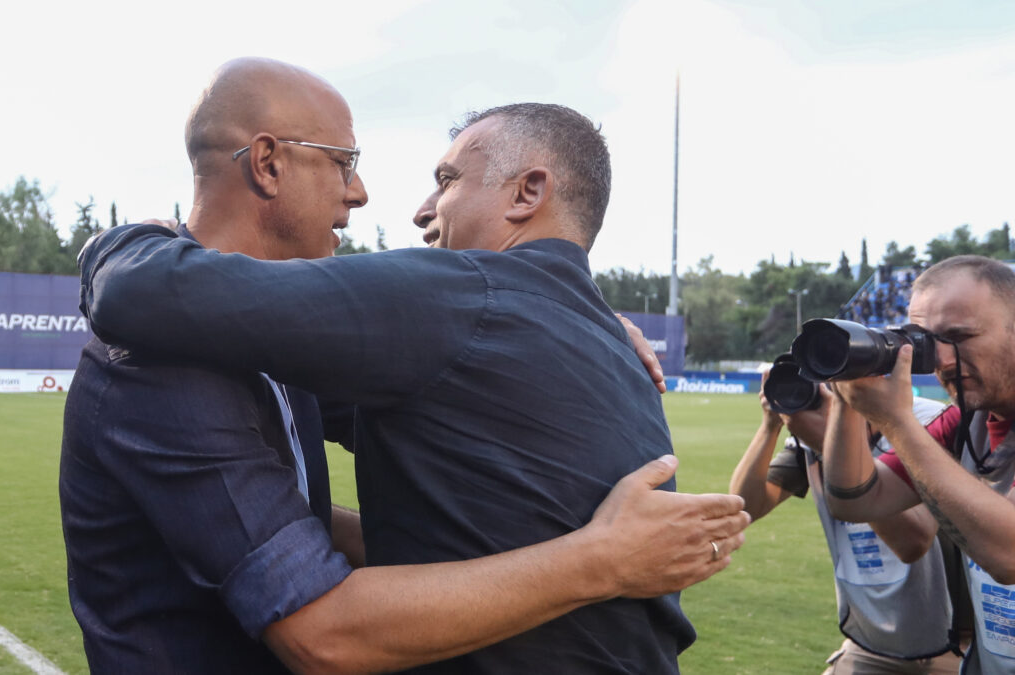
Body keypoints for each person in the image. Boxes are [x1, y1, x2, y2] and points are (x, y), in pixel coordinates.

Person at [61, 58, 749, 675]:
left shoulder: (465, 302)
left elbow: (140, 293)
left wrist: (114, 249)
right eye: (343, 162)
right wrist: (600, 557)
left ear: (526, 194)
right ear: (267, 163)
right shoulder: (167, 355)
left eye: (445, 181)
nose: (371, 196)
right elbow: (323, 623)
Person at [822, 254, 1015, 674]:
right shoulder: (967, 424)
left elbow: (1008, 555)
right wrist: (848, 396)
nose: (942, 360)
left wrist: (897, 422)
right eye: (927, 340)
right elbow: (855, 500)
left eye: (960, 336)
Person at [730, 372, 958, 674]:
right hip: (869, 643)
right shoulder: (811, 435)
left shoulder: (930, 422)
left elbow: (912, 541)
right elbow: (744, 507)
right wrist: (770, 425)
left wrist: (829, 444)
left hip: (952, 646)